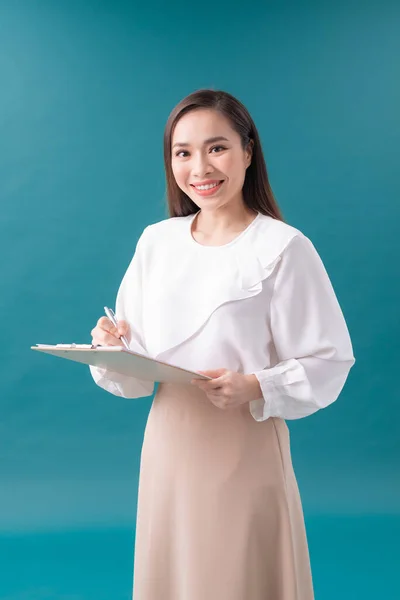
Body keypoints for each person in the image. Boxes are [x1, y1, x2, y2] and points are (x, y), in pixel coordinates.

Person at [89, 89, 355, 600]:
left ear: (248, 152)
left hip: (243, 444)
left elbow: (329, 359)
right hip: (168, 441)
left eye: (217, 148)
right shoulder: (156, 243)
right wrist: (111, 345)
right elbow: (136, 370)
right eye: (182, 152)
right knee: (174, 574)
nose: (199, 167)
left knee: (237, 576)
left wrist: (256, 384)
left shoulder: (282, 247)